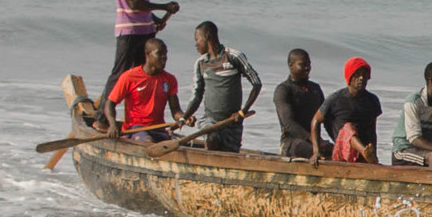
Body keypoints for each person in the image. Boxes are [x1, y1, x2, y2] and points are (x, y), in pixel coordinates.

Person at [95, 0, 181, 131]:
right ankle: (101, 118)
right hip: (129, 31)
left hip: (144, 30)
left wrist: (155, 19)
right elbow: (134, 4)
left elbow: (143, 5)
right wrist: (163, 7)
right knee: (121, 74)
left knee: (143, 76)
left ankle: (141, 122)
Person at [181, 21, 262, 152]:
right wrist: (184, 117)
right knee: (212, 139)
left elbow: (257, 83)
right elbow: (197, 95)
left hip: (232, 122)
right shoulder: (200, 63)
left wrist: (243, 111)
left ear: (207, 37)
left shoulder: (233, 57)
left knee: (230, 153)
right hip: (210, 120)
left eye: (197, 39)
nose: (196, 44)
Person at [103, 38, 185, 142]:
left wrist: (184, 118)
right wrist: (112, 124)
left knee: (177, 145)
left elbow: (176, 110)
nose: (164, 57)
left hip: (159, 129)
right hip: (135, 129)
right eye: (159, 54)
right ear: (147, 54)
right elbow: (110, 103)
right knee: (148, 141)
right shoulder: (129, 77)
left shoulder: (170, 79)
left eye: (165, 54)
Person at [310, 57, 382, 165]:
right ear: (349, 76)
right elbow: (315, 121)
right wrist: (316, 151)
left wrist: (374, 156)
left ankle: (366, 154)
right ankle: (364, 151)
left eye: (364, 75)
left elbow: (372, 130)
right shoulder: (336, 99)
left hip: (364, 154)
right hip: (342, 153)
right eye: (357, 74)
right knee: (347, 128)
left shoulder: (372, 100)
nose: (361, 78)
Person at [274, 48, 332, 159]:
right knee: (311, 152)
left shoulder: (315, 89)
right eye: (302, 64)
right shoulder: (283, 90)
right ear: (291, 65)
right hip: (291, 143)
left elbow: (327, 119)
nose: (307, 68)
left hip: (315, 142)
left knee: (337, 153)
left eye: (309, 64)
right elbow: (289, 124)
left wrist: (340, 141)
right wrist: (314, 141)